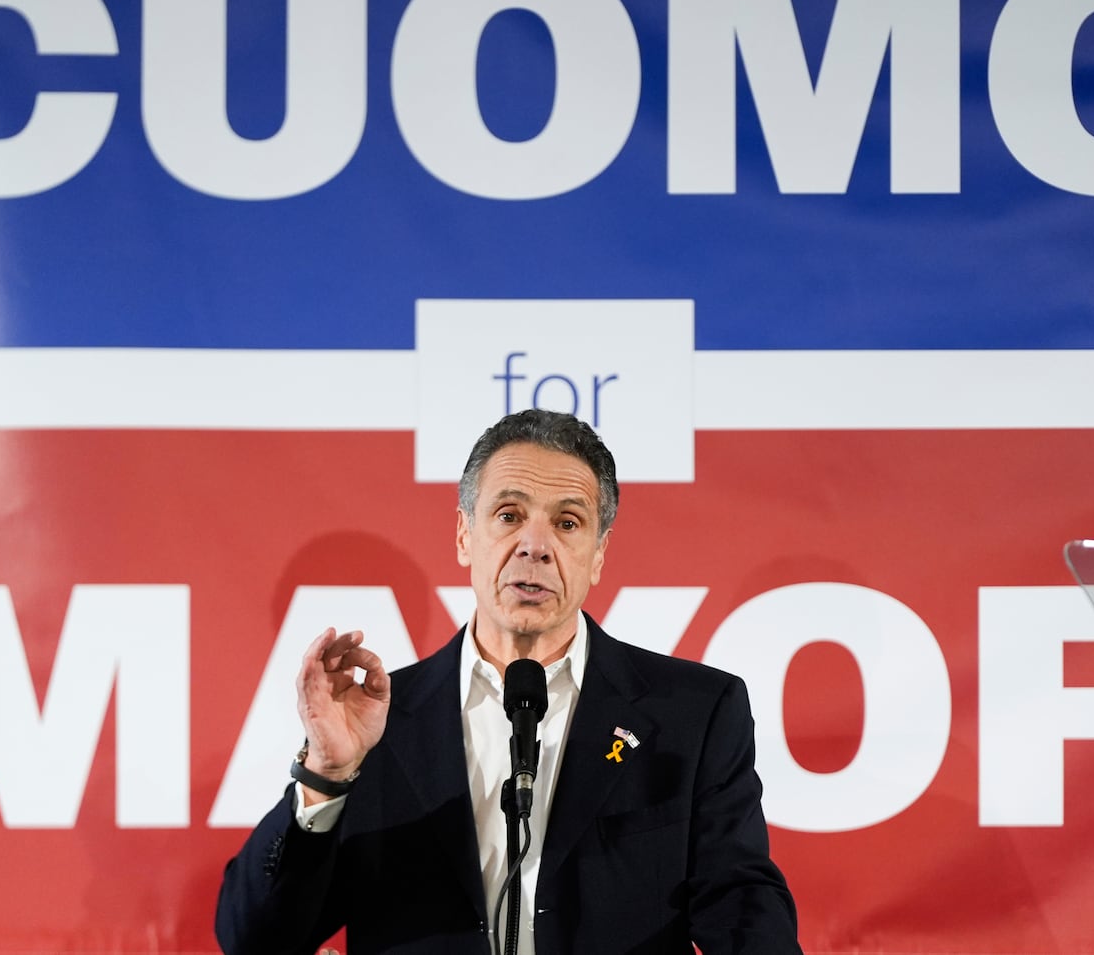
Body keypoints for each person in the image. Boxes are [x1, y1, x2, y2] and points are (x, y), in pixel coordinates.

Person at [215, 409, 801, 954]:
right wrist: (328, 773)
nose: (536, 546)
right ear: (466, 535)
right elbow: (254, 939)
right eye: (510, 515)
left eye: (567, 523)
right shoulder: (376, 724)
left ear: (597, 555)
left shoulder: (692, 714)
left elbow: (744, 908)